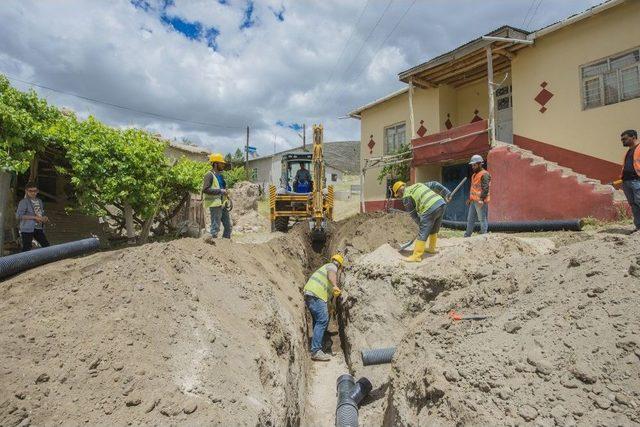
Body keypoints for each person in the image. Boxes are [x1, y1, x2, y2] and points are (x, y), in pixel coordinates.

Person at [393, 180, 451, 262]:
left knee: (422, 233)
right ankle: (431, 248)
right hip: (440, 203)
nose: (399, 197)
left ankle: (416, 256)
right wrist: (447, 193)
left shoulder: (406, 197)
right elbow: (435, 184)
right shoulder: (418, 185)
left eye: (398, 195)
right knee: (434, 228)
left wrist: (421, 225)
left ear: (399, 192)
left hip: (429, 207)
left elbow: (413, 215)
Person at [303, 254, 344, 361]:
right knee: (322, 320)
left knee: (318, 321)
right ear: (339, 265)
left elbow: (329, 296)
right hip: (316, 295)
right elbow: (331, 275)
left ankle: (319, 344)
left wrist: (331, 307)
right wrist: (335, 285)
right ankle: (316, 351)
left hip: (312, 295)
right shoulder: (332, 266)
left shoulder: (327, 271)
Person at [202, 153, 232, 239]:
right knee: (215, 228)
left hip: (223, 204)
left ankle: (225, 245)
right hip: (215, 204)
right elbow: (205, 190)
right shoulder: (209, 175)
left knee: (228, 227)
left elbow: (223, 188)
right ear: (215, 164)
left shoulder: (221, 176)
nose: (223, 165)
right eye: (221, 163)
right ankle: (212, 248)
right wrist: (220, 191)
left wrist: (226, 192)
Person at [615, 130, 640, 233]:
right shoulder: (629, 151)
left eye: (625, 139)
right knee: (634, 205)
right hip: (627, 182)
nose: (622, 141)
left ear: (633, 137)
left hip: (637, 181)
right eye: (622, 139)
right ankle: (638, 227)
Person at [16, 182, 50, 252]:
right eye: (30, 191)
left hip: (38, 227)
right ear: (26, 191)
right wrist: (34, 217)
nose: (33, 193)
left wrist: (44, 218)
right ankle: (22, 262)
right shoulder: (23, 202)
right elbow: (19, 216)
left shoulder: (39, 201)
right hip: (27, 228)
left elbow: (40, 213)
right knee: (27, 248)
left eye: (35, 191)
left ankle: (48, 261)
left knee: (46, 245)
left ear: (37, 191)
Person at [465, 154, 491, 237]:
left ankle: (484, 236)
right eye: (472, 165)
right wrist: (470, 199)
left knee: (482, 219)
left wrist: (481, 199)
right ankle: (467, 235)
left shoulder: (485, 174)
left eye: (474, 165)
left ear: (480, 164)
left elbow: (485, 188)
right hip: (473, 201)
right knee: (470, 219)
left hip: (480, 201)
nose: (473, 167)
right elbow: (473, 188)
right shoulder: (474, 175)